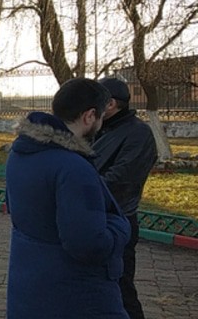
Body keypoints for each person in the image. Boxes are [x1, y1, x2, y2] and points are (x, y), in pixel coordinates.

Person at [5, 77, 130, 318]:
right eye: (101, 116)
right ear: (89, 116)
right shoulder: (73, 167)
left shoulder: (20, 153)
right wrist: (120, 228)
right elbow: (88, 244)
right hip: (75, 296)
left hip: (29, 288)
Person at [93, 77, 157, 319]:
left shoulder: (139, 134)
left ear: (110, 104)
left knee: (120, 287)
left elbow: (121, 180)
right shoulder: (98, 128)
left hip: (118, 220)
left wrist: (79, 188)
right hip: (94, 217)